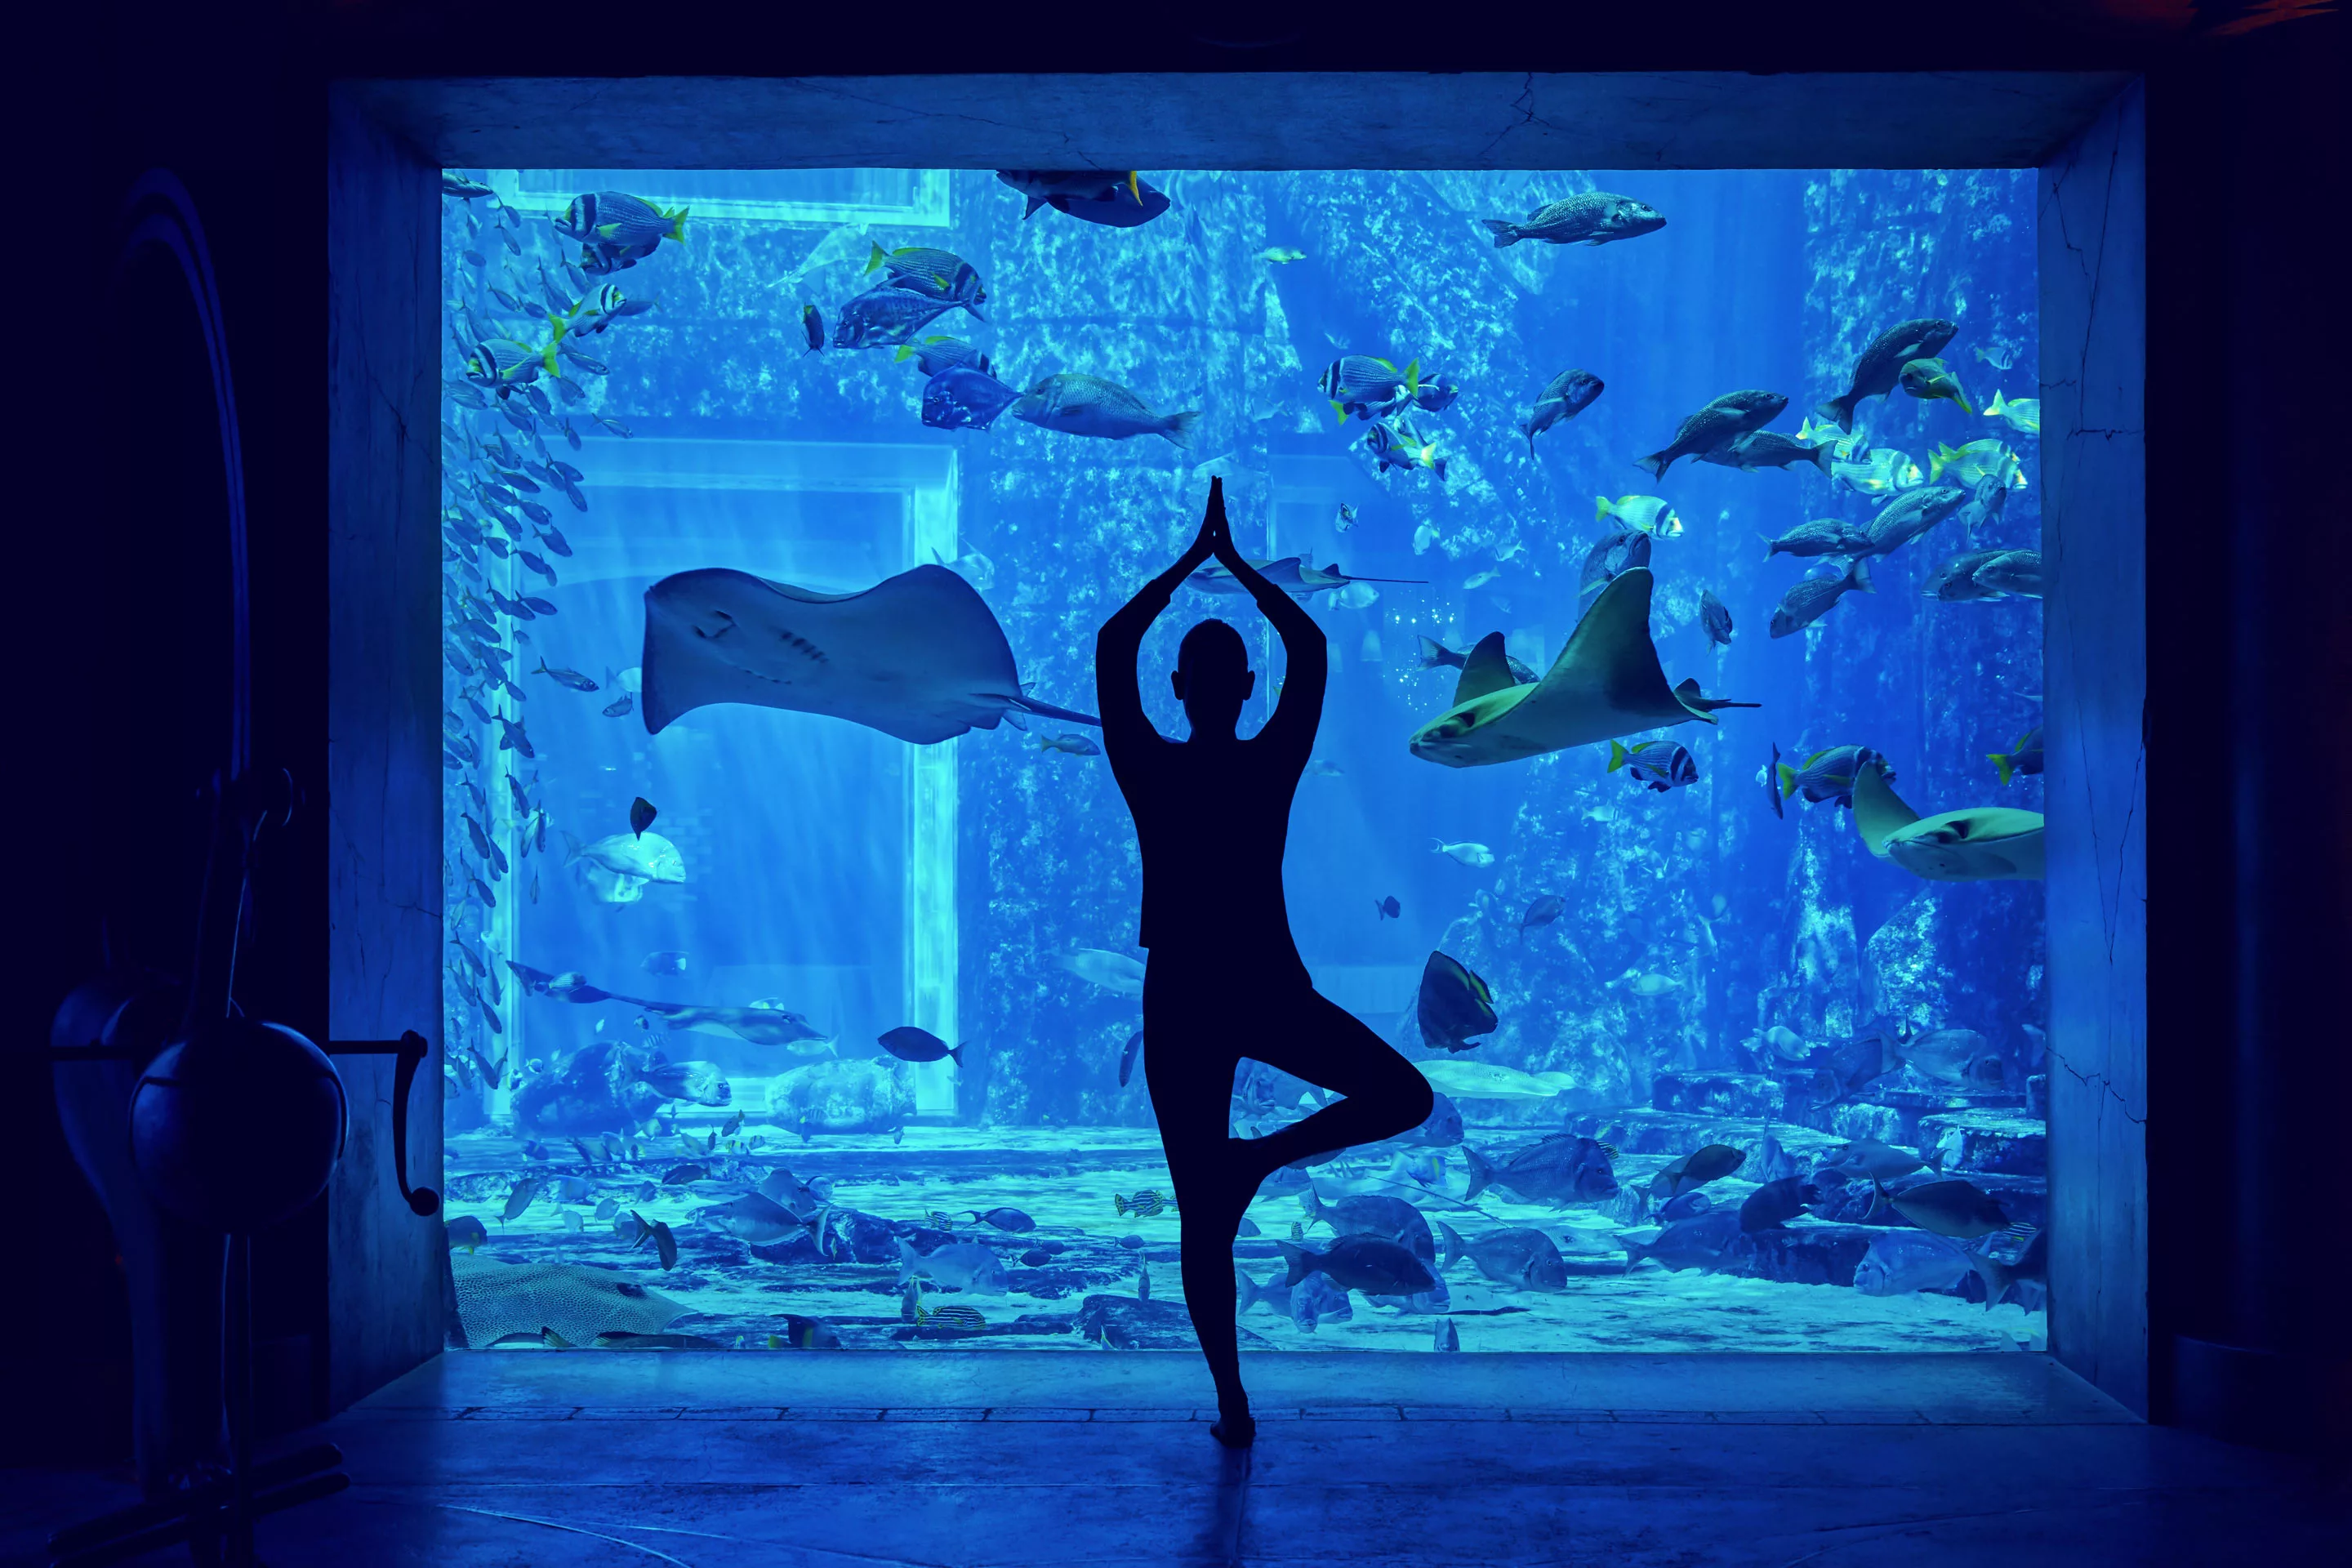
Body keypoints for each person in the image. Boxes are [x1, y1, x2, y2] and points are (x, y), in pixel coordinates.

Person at [1095, 478, 1434, 1449]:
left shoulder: (1149, 768)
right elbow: (1312, 653)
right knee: (1401, 1096)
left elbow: (1114, 649)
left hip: (1183, 994)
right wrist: (1243, 570)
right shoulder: (1266, 762)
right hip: (1263, 983)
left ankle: (1233, 1406)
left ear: (1177, 689)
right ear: (1246, 690)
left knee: (1202, 1215)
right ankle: (1259, 1161)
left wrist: (1186, 567)